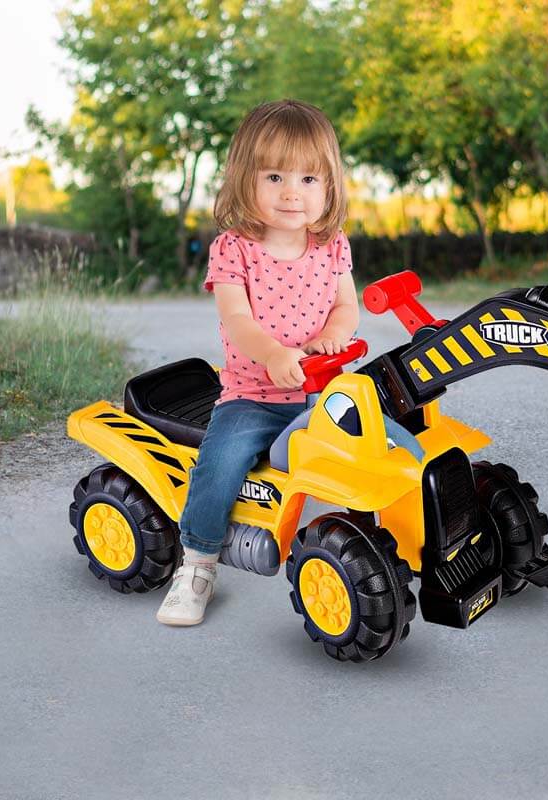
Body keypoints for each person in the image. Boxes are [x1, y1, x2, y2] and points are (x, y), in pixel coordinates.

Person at [157, 99, 359, 626]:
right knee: (220, 465)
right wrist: (273, 356)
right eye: (274, 175)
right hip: (256, 396)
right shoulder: (233, 249)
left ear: (330, 186)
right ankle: (197, 563)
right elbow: (239, 320)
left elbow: (346, 305)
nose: (292, 192)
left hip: (320, 395)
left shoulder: (332, 245)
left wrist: (336, 334)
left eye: (309, 178)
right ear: (245, 180)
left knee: (384, 442)